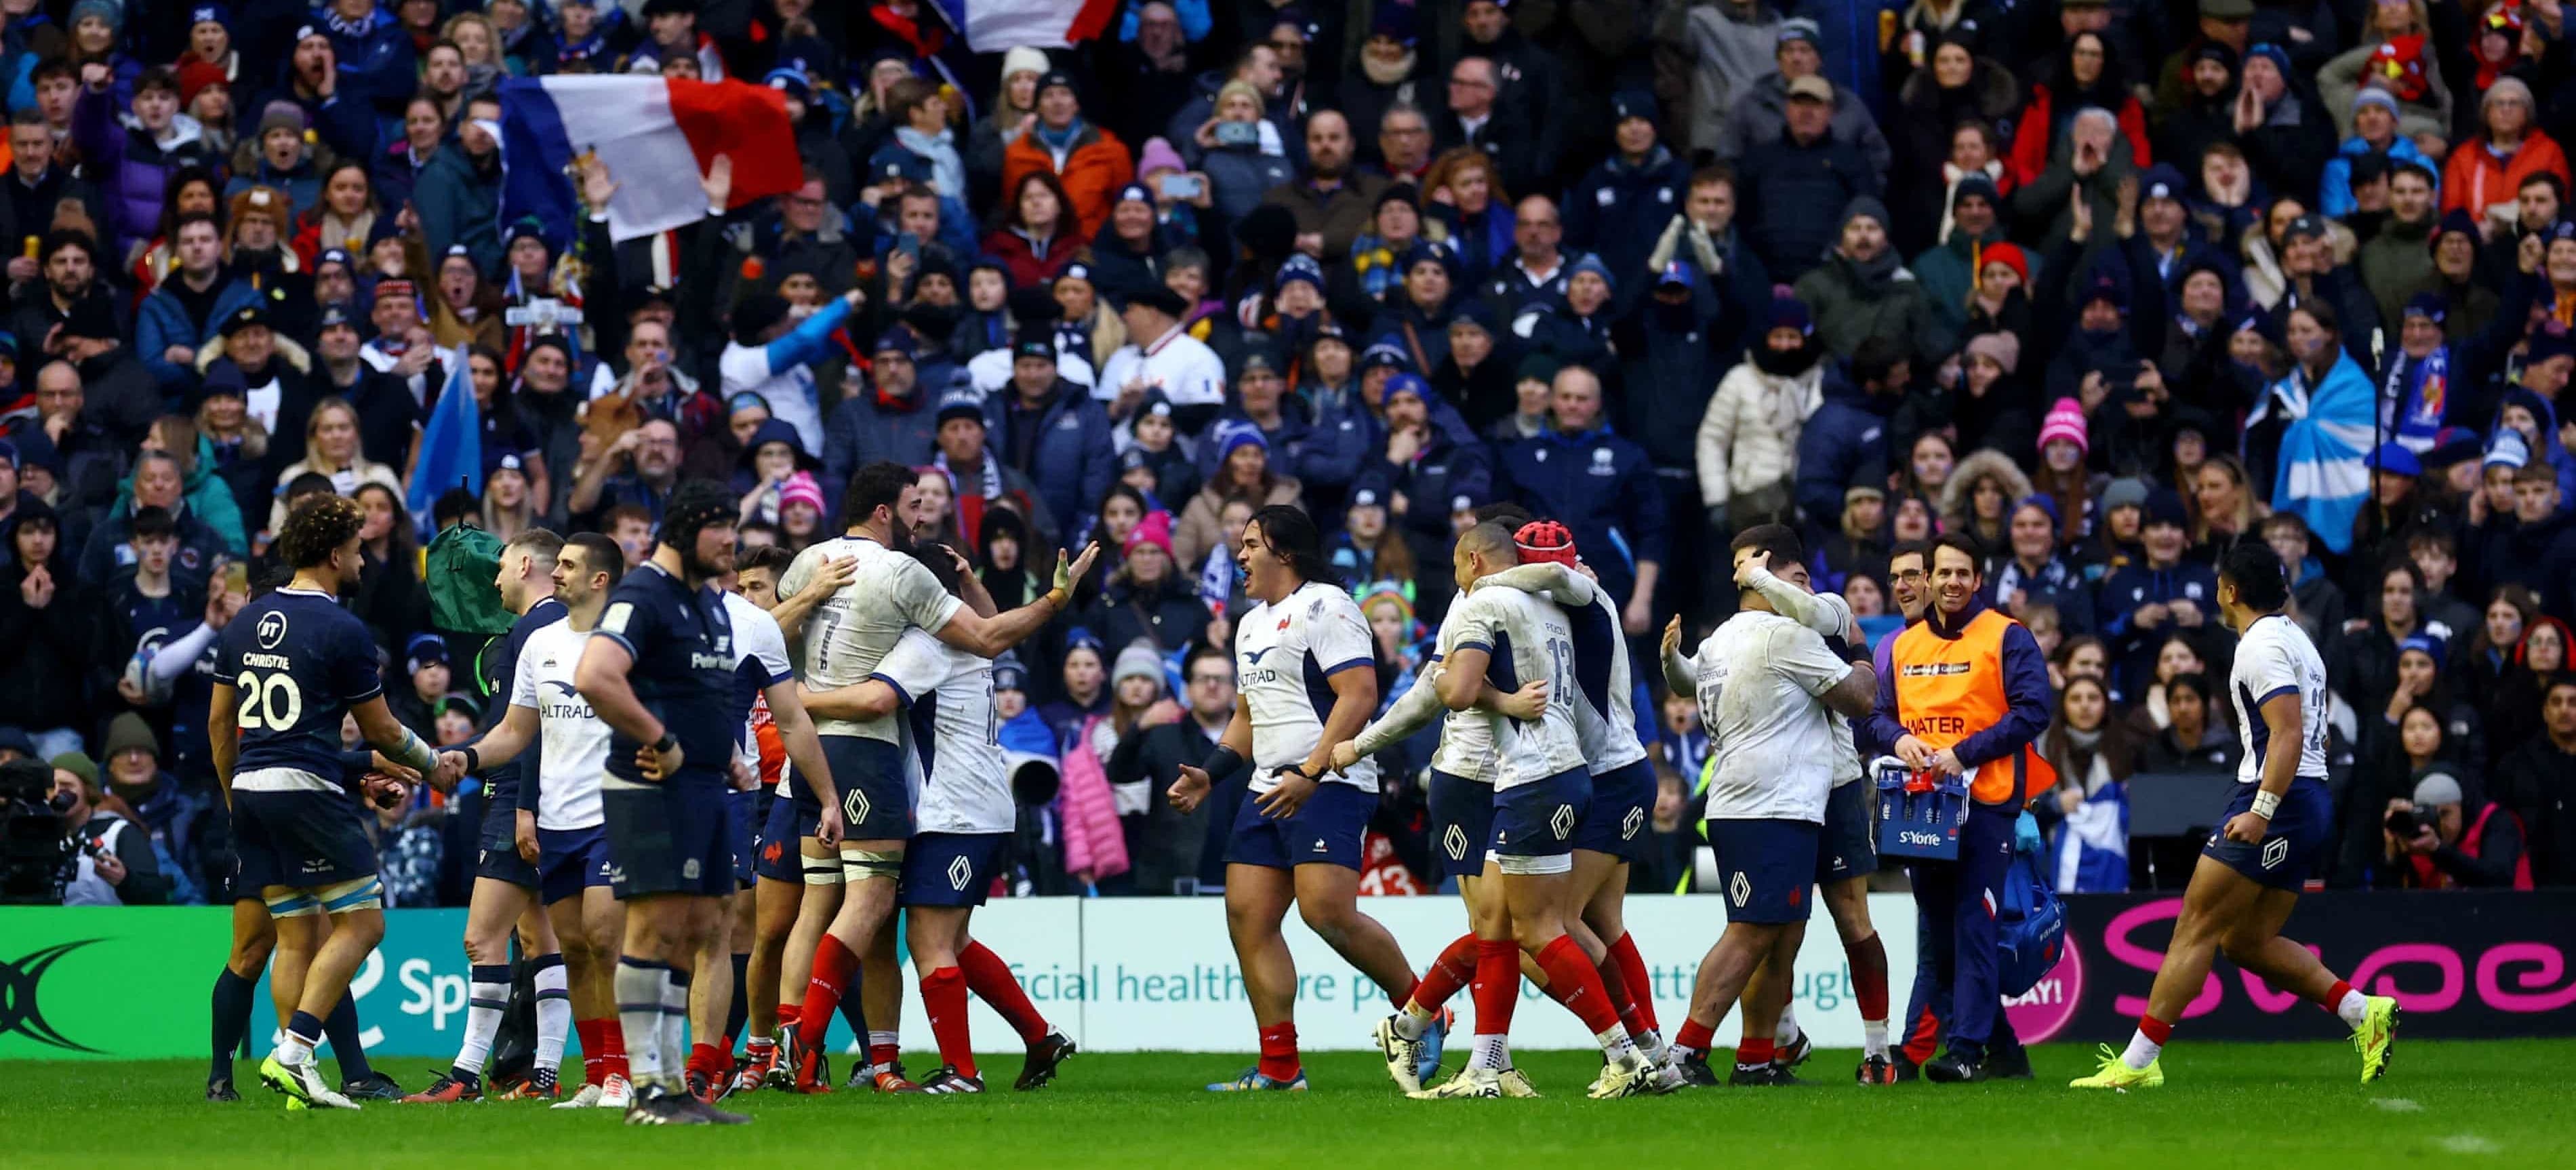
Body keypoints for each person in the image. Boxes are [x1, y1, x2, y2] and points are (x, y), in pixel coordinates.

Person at [776, 463, 1097, 1092]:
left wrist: (794, 701)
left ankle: (956, 1070)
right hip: (955, 804)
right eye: (915, 506)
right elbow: (990, 629)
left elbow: (873, 701)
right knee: (954, 938)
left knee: (927, 939)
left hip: (959, 809)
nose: (922, 515)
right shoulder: (955, 635)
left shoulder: (930, 646)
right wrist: (988, 587)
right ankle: (1039, 1038)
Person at [2073, 539, 2400, 1089]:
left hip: (2280, 798)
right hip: (2307, 797)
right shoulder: (2294, 637)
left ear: (2230, 590)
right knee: (2245, 941)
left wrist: (2263, 810)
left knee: (2195, 925)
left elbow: (2288, 732)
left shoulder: (2260, 647)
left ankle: (2136, 1063)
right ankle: (2362, 1013)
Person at [569, 482, 828, 1125]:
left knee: (707, 927)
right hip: (652, 788)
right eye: (721, 529)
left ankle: (678, 1084)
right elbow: (595, 675)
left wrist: (731, 758)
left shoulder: (716, 609)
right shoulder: (645, 594)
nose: (731, 543)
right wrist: (660, 739)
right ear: (687, 530)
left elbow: (708, 698)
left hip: (713, 788)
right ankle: (650, 1089)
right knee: (655, 929)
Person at [1394, 521, 1672, 1099]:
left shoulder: (1558, 595)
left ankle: (1635, 1055)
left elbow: (1451, 685)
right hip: (1606, 773)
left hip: (1597, 774)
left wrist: (1488, 584)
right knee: (1592, 922)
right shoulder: (1562, 601)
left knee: (1536, 926)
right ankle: (1645, 1054)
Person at [1166, 504, 1422, 1091]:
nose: (1240, 555)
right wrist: (1211, 773)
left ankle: (1423, 1009)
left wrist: (1310, 770)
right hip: (1268, 788)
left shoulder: (1327, 605)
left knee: (1324, 912)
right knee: (1247, 919)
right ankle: (1280, 1069)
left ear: (1285, 552)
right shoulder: (1250, 623)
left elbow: (1359, 695)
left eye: (1251, 544)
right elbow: (1247, 716)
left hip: (1328, 782)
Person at [209, 494, 447, 1110]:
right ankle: (291, 1054)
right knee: (364, 924)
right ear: (336, 552)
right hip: (306, 791)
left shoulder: (246, 620)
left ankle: (301, 1075)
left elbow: (218, 723)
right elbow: (384, 731)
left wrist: (234, 793)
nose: (365, 560)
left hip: (251, 792)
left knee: (294, 937)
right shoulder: (343, 628)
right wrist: (434, 763)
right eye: (360, 549)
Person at [1662, 523, 1877, 1085]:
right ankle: (1685, 1052)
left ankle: (1756, 1057)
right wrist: (1861, 656)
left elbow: (1689, 682)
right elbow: (1859, 700)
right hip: (1771, 806)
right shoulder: (1786, 637)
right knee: (1752, 930)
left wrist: (1671, 663)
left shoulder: (1720, 639)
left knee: (1782, 931)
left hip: (1749, 803)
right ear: (1793, 578)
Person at [1865, 532, 2052, 1082]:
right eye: (1942, 573)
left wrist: (1963, 753)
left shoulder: (2006, 637)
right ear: (1929, 579)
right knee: (1943, 931)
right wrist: (1898, 740)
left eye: (1961, 573)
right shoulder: (1905, 646)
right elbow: (1875, 718)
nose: (1951, 583)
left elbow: (2034, 710)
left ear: (1978, 579)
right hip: (1922, 806)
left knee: (1974, 923)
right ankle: (2006, 1052)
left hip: (1989, 804)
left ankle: (1967, 1051)